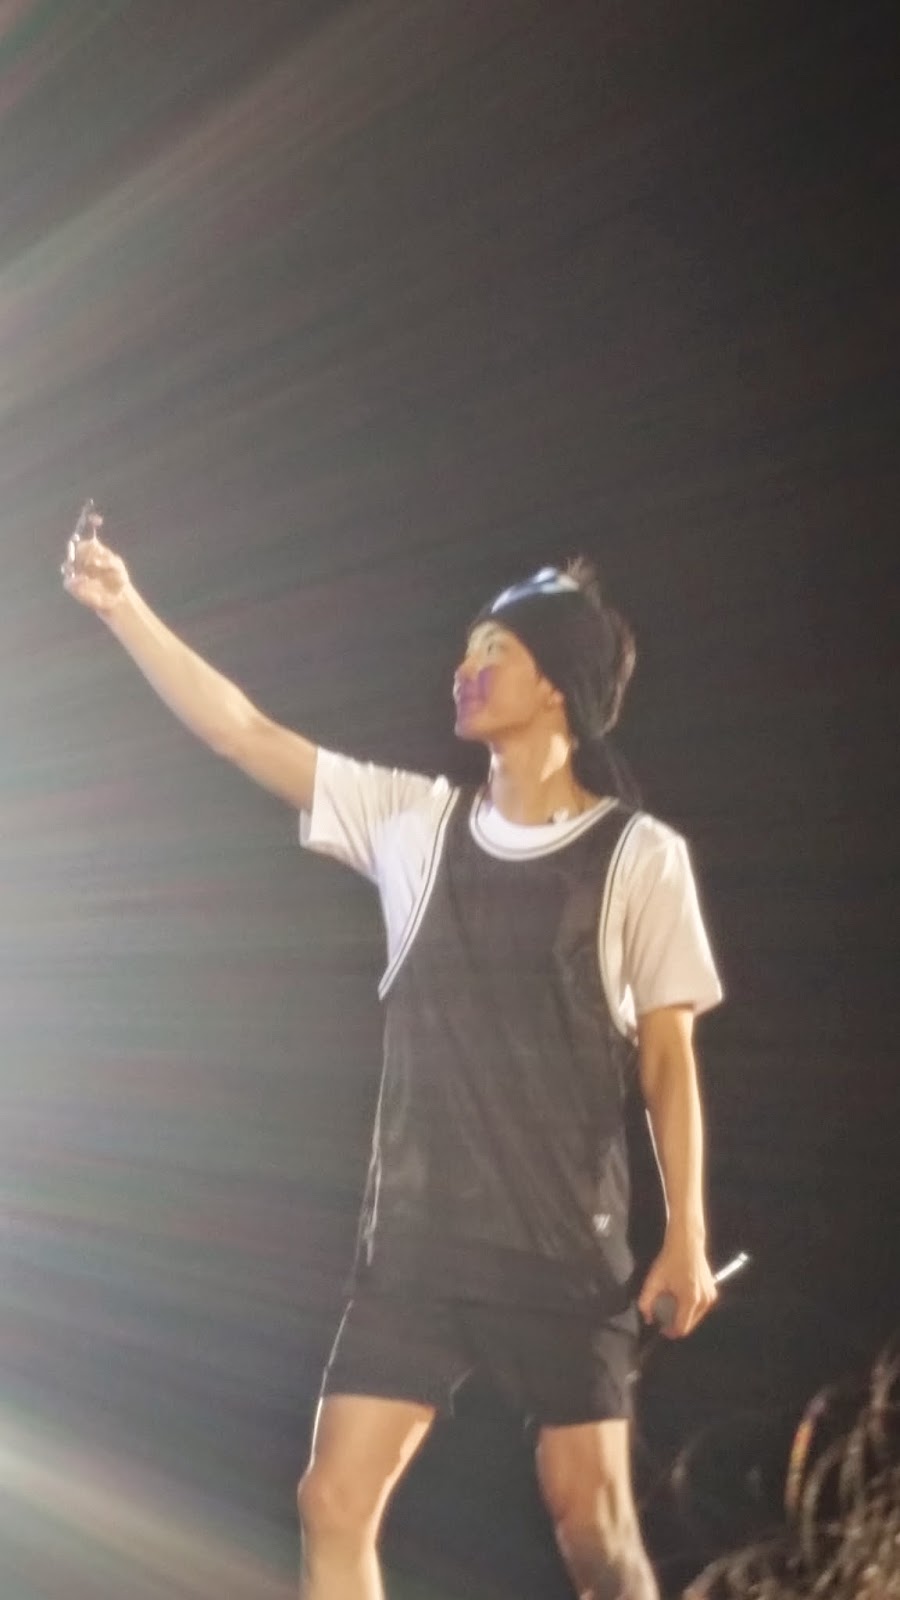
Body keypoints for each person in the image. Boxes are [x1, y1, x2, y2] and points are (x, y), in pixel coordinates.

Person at [63, 515, 723, 1600]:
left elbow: (667, 1061)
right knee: (332, 1502)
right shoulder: (414, 824)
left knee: (594, 1529)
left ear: (558, 686)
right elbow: (242, 732)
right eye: (466, 647)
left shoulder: (638, 857)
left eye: (494, 650)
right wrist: (123, 605)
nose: (465, 667)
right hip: (417, 1244)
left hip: (564, 1249)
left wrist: (685, 1234)